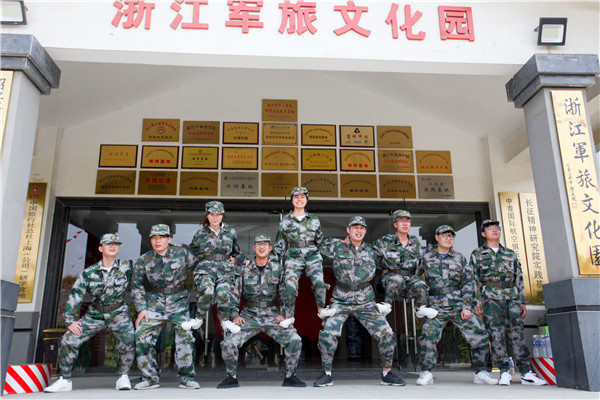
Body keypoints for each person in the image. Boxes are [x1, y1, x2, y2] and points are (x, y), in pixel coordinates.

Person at [313, 216, 405, 387]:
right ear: (348, 230)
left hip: (366, 301)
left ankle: (387, 373)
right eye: (355, 227)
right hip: (341, 299)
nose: (358, 230)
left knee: (386, 334)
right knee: (328, 334)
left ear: (365, 231)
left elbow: (392, 259)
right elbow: (316, 242)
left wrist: (388, 270)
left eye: (362, 228)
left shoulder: (372, 250)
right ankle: (326, 374)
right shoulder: (337, 247)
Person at [44, 234, 134, 392]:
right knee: (68, 339)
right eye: (108, 244)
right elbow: (75, 295)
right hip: (95, 315)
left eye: (115, 244)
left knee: (129, 337)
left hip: (118, 313)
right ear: (100, 248)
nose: (112, 246)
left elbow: (148, 265)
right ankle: (65, 379)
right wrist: (70, 320)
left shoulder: (126, 267)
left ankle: (123, 376)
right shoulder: (88, 273)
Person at [217, 234, 306, 389]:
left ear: (270, 248)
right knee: (228, 342)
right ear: (254, 248)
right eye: (258, 244)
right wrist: (235, 315)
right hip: (249, 315)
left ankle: (290, 376)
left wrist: (284, 314)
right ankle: (231, 377)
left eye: (265, 244)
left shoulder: (278, 269)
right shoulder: (244, 269)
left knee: (294, 339)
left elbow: (285, 294)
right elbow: (234, 294)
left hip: (272, 315)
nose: (262, 247)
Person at [416, 225, 497, 386]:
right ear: (437, 237)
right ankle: (427, 372)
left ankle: (480, 372)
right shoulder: (426, 257)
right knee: (427, 338)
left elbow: (468, 282)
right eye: (445, 236)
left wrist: (467, 306)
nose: (448, 239)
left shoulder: (459, 258)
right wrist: (420, 303)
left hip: (458, 304)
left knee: (480, 335)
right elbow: (413, 277)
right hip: (435, 306)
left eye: (451, 236)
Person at [470, 219, 547, 386]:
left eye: (497, 228)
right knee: (496, 335)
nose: (494, 230)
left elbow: (519, 277)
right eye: (490, 228)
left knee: (517, 334)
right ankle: (504, 371)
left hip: (511, 297)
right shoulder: (477, 254)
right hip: (490, 298)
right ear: (483, 234)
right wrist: (475, 302)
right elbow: (473, 279)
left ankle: (525, 372)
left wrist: (522, 301)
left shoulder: (510, 254)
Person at [132, 224, 200, 390]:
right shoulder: (144, 259)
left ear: (169, 239)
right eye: (154, 238)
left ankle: (186, 378)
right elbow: (136, 284)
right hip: (155, 303)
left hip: (179, 301)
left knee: (185, 337)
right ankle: (150, 378)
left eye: (162, 237)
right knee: (141, 334)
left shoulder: (181, 253)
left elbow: (200, 268)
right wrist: (141, 308)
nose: (158, 241)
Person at [273, 187, 332, 328]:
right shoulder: (285, 221)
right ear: (292, 200)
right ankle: (289, 316)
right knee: (289, 286)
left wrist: (339, 245)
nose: (299, 200)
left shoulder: (314, 219)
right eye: (296, 197)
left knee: (319, 282)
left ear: (306, 200)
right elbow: (280, 244)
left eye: (302, 197)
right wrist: (271, 261)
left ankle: (321, 310)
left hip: (312, 256)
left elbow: (321, 241)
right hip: (293, 257)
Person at [189, 201, 246, 334]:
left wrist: (238, 260)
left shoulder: (230, 232)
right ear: (207, 215)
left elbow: (237, 252)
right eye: (212, 214)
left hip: (225, 269)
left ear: (222, 215)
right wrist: (196, 265)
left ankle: (225, 321)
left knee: (223, 293)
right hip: (205, 269)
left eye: (218, 214)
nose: (215, 217)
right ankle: (198, 318)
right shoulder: (200, 233)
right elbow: (191, 252)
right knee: (207, 291)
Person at [372, 209, 437, 319]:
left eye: (408, 221)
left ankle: (419, 308)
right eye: (401, 220)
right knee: (396, 279)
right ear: (395, 224)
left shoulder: (415, 242)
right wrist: (382, 269)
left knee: (421, 285)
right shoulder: (386, 240)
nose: (405, 224)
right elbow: (371, 254)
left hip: (410, 278)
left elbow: (423, 258)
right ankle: (387, 305)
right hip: (392, 277)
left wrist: (443, 248)